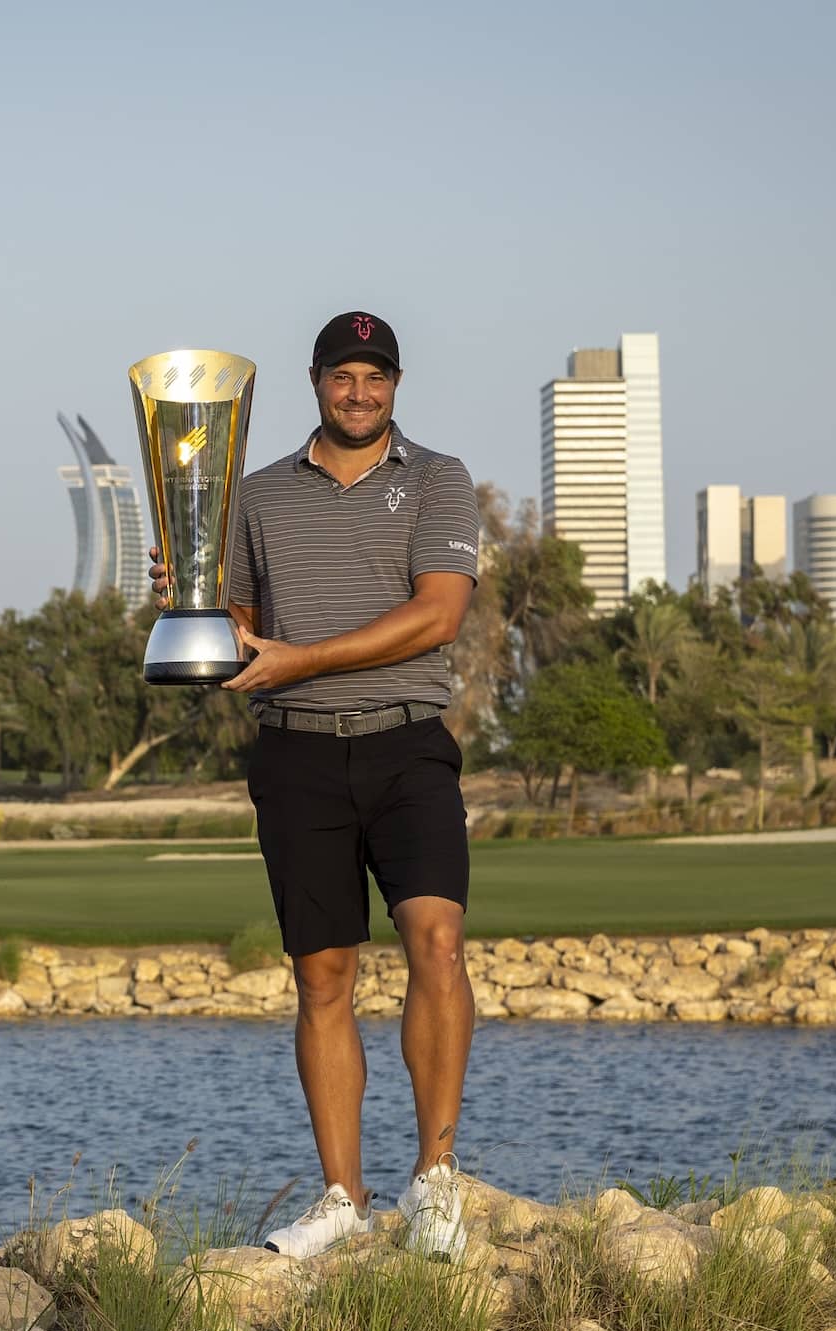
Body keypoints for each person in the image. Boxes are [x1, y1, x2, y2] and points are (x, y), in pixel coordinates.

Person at [151, 310, 480, 1261]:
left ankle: (435, 1184)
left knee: (440, 941)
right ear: (315, 381)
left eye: (376, 377)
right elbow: (241, 629)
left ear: (397, 386)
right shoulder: (252, 494)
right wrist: (192, 595)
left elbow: (437, 616)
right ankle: (342, 1198)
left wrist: (304, 660)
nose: (360, 392)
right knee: (322, 976)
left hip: (407, 743)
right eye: (344, 376)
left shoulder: (439, 479)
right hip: (295, 755)